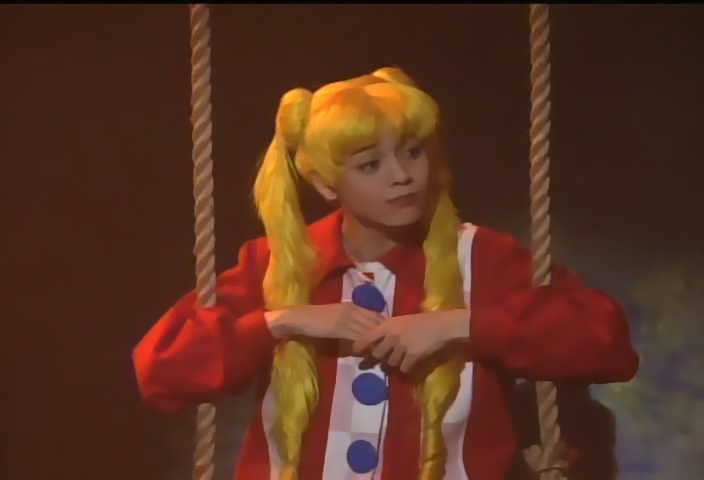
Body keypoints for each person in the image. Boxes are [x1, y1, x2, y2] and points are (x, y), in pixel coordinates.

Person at [132, 67, 639, 480]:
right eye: (370, 165)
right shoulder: (277, 263)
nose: (401, 176)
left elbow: (606, 342)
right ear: (325, 184)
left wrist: (459, 325)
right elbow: (161, 370)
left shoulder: (482, 256)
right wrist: (282, 321)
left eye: (411, 152)